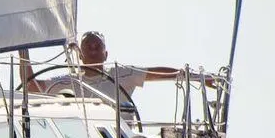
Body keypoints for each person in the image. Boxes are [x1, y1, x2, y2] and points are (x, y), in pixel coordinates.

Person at [25, 31, 182, 103]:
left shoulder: (121, 73)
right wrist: (22, 50)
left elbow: (154, 73)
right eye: (88, 47)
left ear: (106, 54)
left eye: (97, 47)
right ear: (80, 55)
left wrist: (190, 76)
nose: (93, 50)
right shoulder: (67, 81)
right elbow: (31, 86)